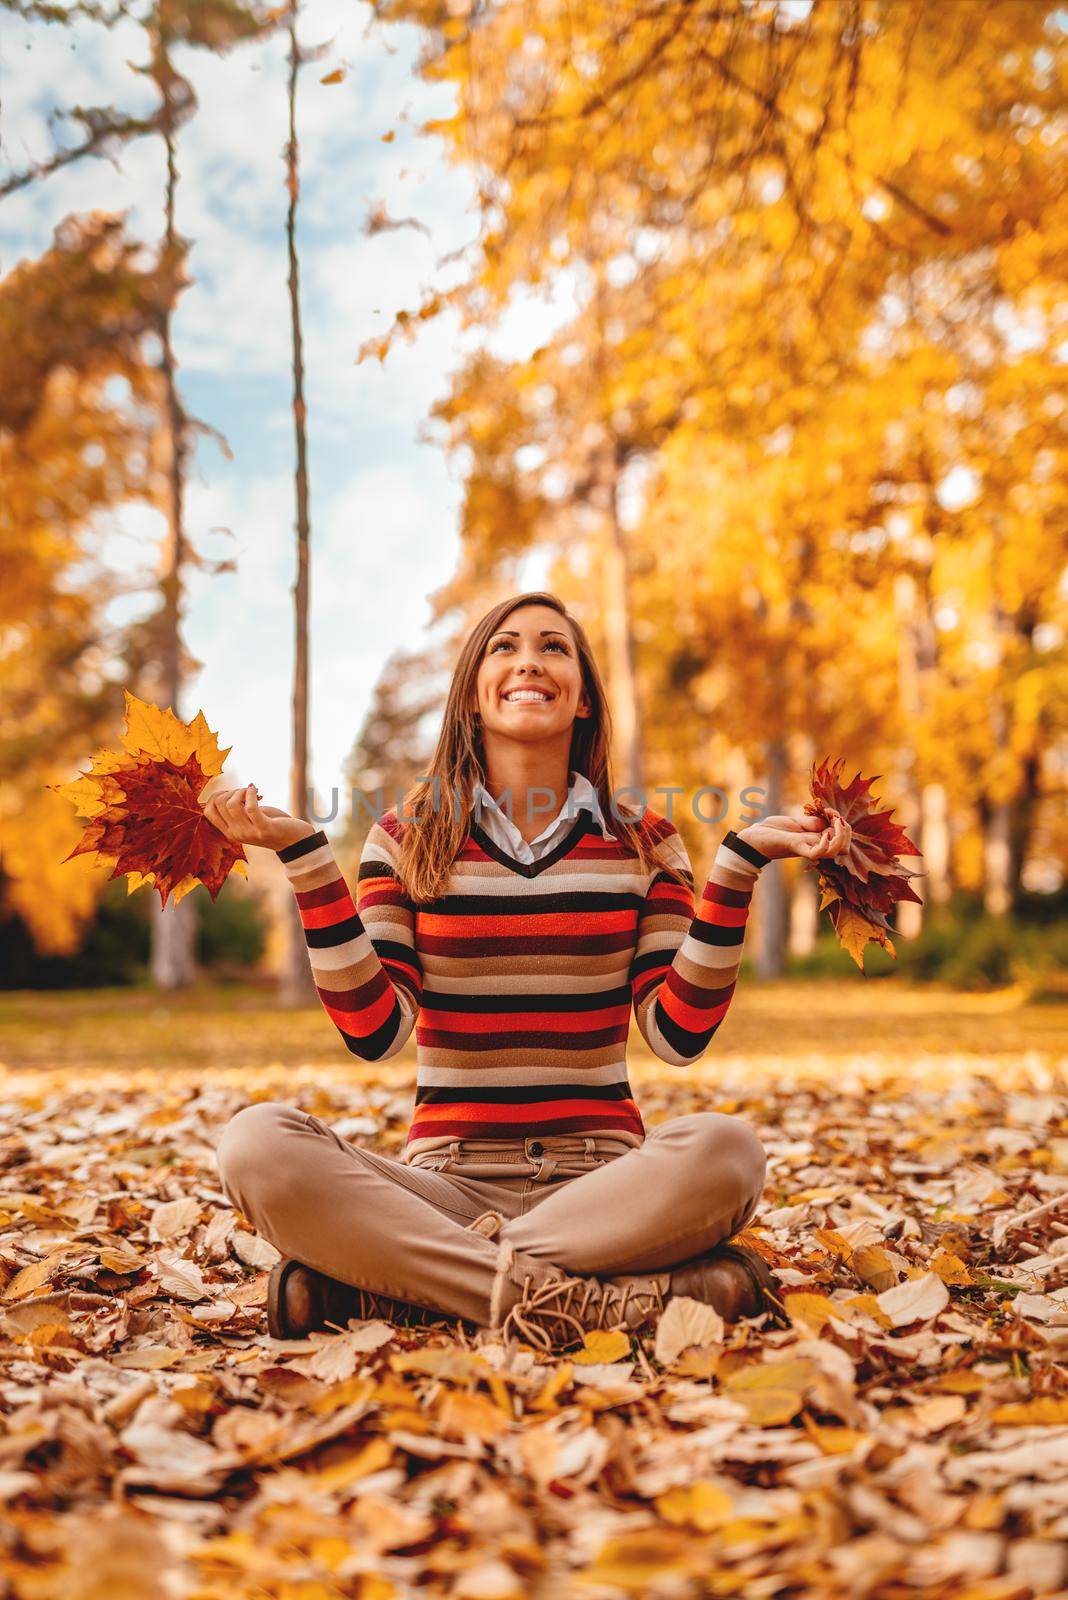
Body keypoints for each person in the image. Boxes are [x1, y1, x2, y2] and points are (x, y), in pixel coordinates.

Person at [209, 592, 852, 1352]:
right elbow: (376, 1031)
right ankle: (611, 1300)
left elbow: (676, 1035)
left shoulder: (643, 842)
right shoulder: (404, 839)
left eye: (554, 648)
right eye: (504, 647)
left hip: (605, 1186)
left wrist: (738, 869)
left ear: (582, 697)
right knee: (256, 1144)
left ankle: (406, 1292)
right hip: (441, 1187)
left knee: (729, 1151)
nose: (529, 661)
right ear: (473, 694)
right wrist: (307, 860)